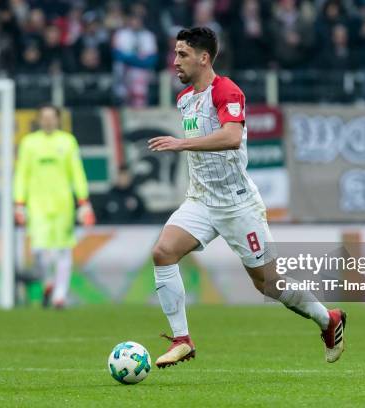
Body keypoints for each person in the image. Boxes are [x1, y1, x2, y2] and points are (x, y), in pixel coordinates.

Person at [148, 27, 346, 368]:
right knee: (163, 253)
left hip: (238, 205)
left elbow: (231, 136)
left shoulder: (226, 90)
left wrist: (180, 144)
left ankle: (328, 320)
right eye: (175, 53)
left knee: (267, 283)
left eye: (182, 54)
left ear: (204, 57)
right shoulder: (185, 100)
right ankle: (183, 340)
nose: (175, 61)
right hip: (200, 200)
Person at [14, 104, 96, 308]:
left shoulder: (67, 142)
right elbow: (21, 174)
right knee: (40, 251)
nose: (48, 121)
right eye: (45, 117)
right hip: (37, 205)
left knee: (62, 250)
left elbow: (77, 172)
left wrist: (83, 202)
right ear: (39, 120)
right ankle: (48, 282)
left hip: (62, 205)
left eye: (52, 117)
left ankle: (60, 295)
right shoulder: (29, 143)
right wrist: (19, 203)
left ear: (58, 120)